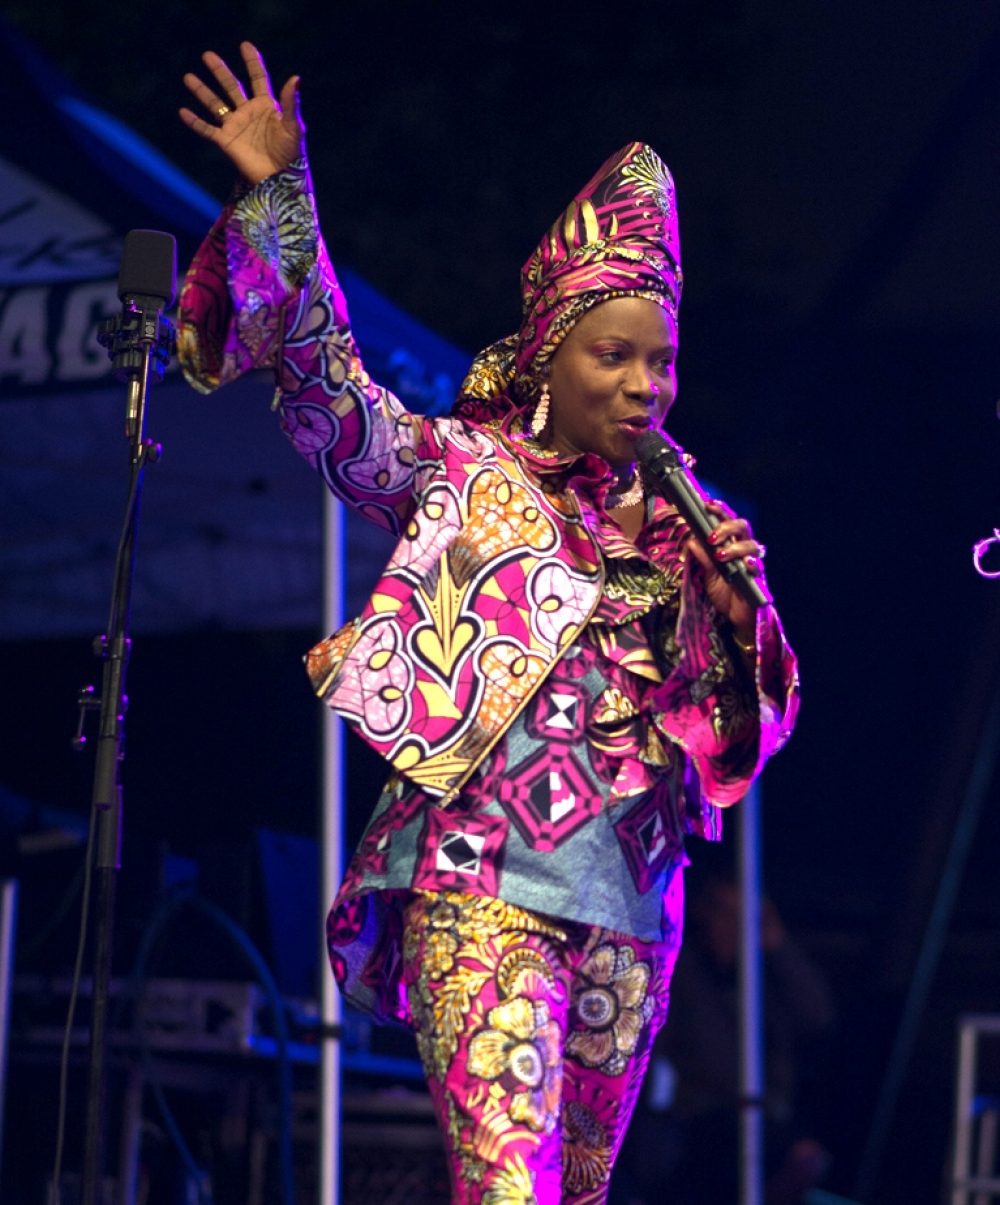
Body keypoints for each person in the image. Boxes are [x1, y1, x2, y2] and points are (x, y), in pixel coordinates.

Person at [177, 42, 799, 1205]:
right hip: (480, 887)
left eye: (659, 361)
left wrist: (732, 618)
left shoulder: (694, 527)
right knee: (509, 1192)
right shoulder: (467, 471)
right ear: (546, 362)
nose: (641, 383)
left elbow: (739, 745)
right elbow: (334, 403)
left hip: (632, 909)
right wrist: (275, 201)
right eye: (610, 355)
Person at [614, 870, 835, 1204]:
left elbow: (817, 1015)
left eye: (743, 917)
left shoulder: (765, 976)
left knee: (804, 1158)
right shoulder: (683, 969)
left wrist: (778, 946)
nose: (733, 926)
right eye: (724, 914)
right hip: (700, 1118)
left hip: (764, 1118)